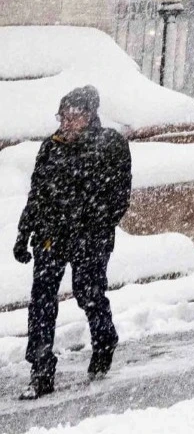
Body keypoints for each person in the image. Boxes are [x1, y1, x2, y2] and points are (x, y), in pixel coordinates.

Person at [14, 87, 130, 399]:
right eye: (62, 115)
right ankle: (40, 371)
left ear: (90, 115)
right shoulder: (51, 147)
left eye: (72, 115)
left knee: (88, 292)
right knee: (41, 301)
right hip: (51, 236)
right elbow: (37, 194)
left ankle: (104, 340)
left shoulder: (110, 144)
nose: (65, 121)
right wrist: (23, 234)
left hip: (89, 237)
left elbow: (119, 198)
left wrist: (94, 227)